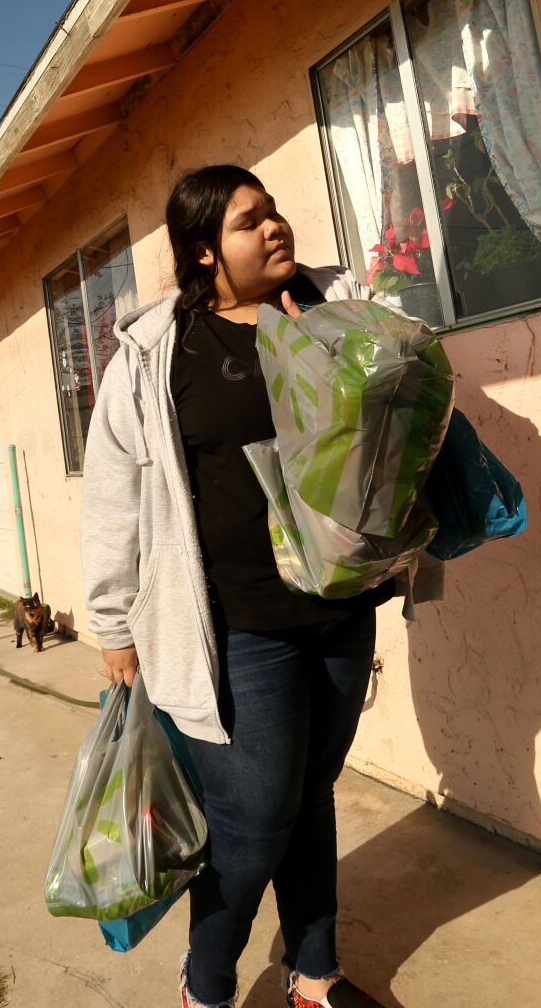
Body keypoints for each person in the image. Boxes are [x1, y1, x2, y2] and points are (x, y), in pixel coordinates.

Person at [81, 165, 391, 1008]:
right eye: (250, 221)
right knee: (254, 822)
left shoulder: (329, 309)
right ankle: (206, 982)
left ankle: (314, 972)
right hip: (236, 622)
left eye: (274, 213)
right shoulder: (156, 354)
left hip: (338, 605)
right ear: (204, 251)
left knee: (309, 792)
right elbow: (113, 492)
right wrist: (113, 622)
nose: (274, 228)